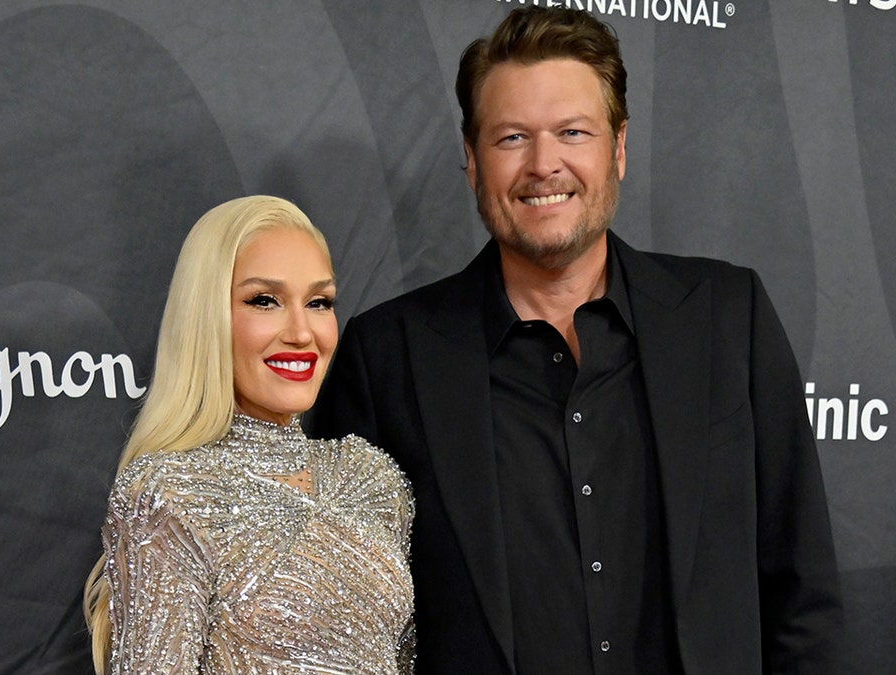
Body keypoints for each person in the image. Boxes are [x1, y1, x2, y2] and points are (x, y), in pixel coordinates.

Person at [307, 7, 841, 674]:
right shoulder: (387, 356)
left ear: (617, 147)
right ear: (472, 161)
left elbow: (802, 596)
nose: (543, 164)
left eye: (572, 132)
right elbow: (339, 620)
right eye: (511, 138)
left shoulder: (729, 320)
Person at [82, 196, 415, 674]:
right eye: (265, 301)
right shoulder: (170, 493)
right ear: (208, 316)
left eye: (319, 302)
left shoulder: (371, 479)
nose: (302, 332)